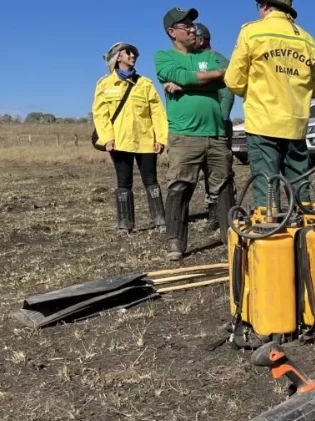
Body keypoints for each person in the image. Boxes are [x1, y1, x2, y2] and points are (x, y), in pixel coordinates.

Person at [224, 0, 315, 210]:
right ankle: (306, 223)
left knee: (267, 185)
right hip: (296, 124)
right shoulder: (307, 39)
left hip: (263, 122)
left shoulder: (252, 32)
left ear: (265, 5)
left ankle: (270, 225)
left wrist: (253, 91)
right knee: (300, 184)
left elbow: (233, 81)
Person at [154, 7, 234, 261]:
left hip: (216, 133)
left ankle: (230, 236)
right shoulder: (163, 56)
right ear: (172, 32)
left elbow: (224, 77)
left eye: (193, 25)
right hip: (184, 134)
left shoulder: (208, 56)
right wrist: (202, 79)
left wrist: (188, 83)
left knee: (223, 184)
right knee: (180, 185)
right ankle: (175, 242)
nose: (192, 29)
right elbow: (178, 75)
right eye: (186, 26)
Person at [92, 42, 168, 235]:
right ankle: (125, 225)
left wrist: (160, 138)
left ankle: (160, 221)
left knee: (151, 181)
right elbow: (100, 115)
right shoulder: (105, 84)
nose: (133, 56)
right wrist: (107, 138)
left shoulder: (145, 84)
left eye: (134, 53)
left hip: (146, 141)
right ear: (118, 57)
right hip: (119, 142)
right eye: (128, 53)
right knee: (124, 182)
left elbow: (157, 112)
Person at [193, 22, 235, 231]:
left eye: (193, 37)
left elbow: (228, 93)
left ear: (202, 40)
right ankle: (213, 212)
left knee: (221, 170)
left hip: (218, 126)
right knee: (204, 171)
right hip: (198, 128)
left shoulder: (219, 61)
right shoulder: (192, 61)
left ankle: (226, 211)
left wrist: (220, 118)